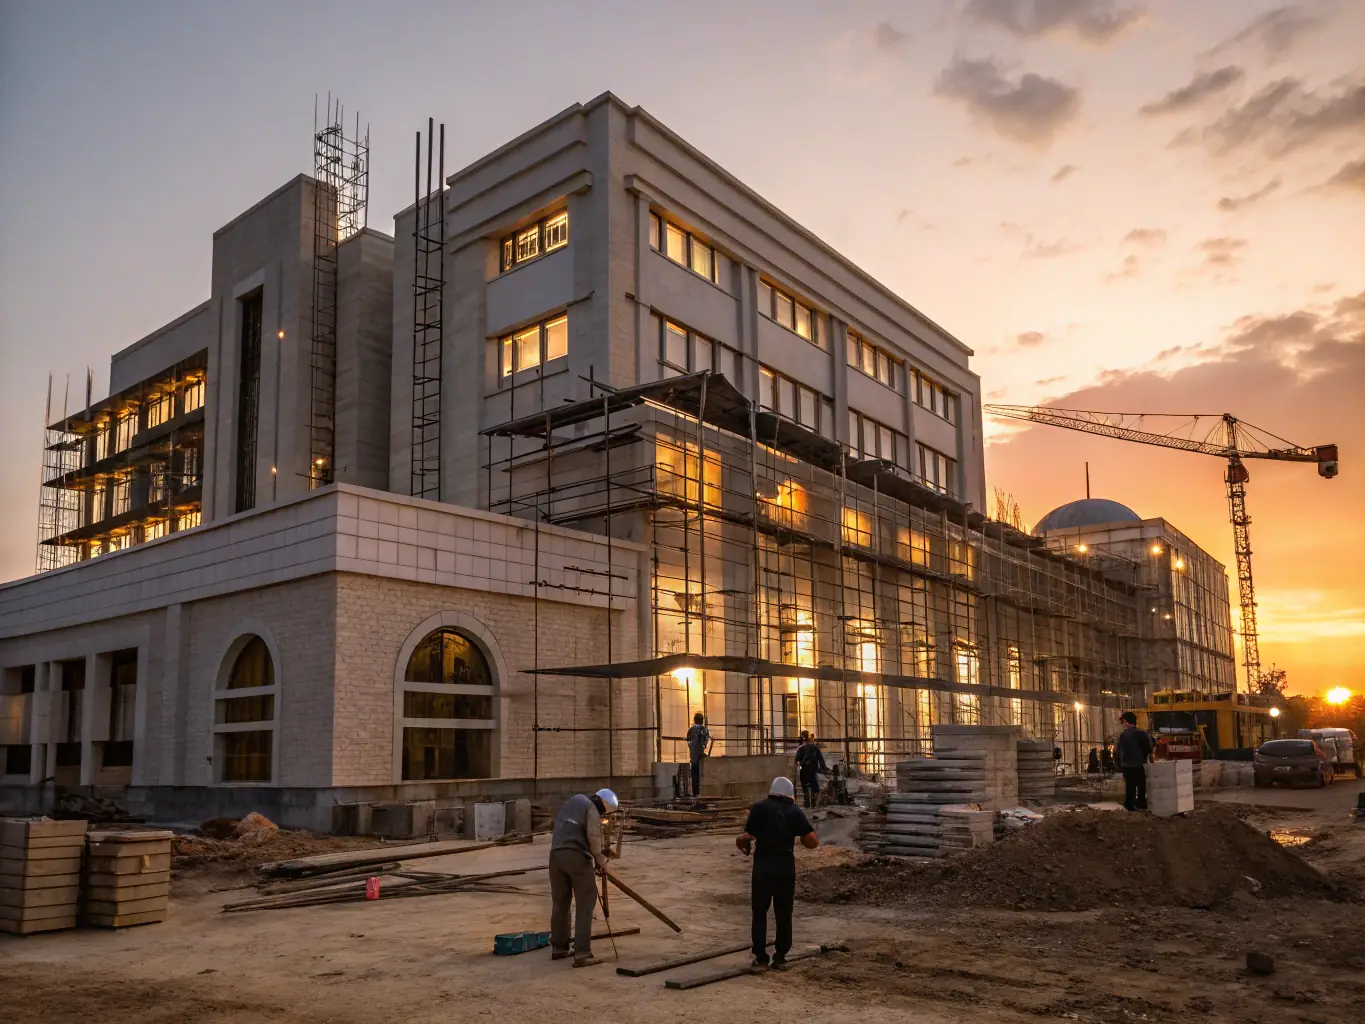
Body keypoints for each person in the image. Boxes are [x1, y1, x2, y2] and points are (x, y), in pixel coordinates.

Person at [736, 777, 818, 970]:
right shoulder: (795, 811)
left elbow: (748, 836)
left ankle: (761, 958)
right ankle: (780, 956)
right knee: (783, 913)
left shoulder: (758, 808)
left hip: (763, 867)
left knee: (759, 912)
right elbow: (812, 841)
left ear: (772, 791)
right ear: (790, 795)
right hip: (785, 868)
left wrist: (741, 841)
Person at [549, 788, 618, 967]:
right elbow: (593, 836)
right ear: (603, 803)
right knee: (586, 902)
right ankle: (582, 953)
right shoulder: (592, 809)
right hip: (576, 855)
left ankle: (559, 947)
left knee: (560, 902)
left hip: (555, 856)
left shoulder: (574, 801)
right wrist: (600, 858)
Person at [1116, 712, 1155, 812]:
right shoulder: (1142, 733)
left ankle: (1129, 805)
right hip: (1139, 763)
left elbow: (1119, 750)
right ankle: (1141, 803)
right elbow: (1149, 748)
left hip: (1126, 765)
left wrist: (1119, 763)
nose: (1123, 724)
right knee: (1141, 785)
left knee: (1130, 785)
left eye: (1123, 722)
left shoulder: (1123, 735)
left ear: (1126, 722)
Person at [795, 731, 827, 808]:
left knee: (805, 787)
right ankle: (815, 803)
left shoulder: (801, 748)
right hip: (813, 771)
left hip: (804, 771)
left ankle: (807, 804)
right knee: (814, 787)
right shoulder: (815, 748)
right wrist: (824, 768)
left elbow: (797, 759)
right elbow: (821, 759)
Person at [685, 712, 711, 798]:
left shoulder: (691, 729)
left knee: (694, 774)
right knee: (701, 774)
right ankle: (700, 792)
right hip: (700, 755)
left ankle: (695, 792)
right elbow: (704, 741)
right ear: (701, 720)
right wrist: (702, 748)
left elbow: (688, 740)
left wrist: (692, 748)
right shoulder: (703, 729)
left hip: (693, 756)